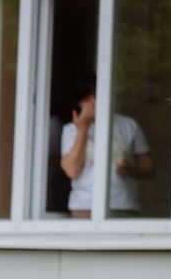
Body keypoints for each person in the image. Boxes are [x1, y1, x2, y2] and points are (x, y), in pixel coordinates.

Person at [61, 78, 152, 217]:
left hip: (123, 203)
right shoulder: (71, 130)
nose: (92, 103)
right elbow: (72, 170)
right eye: (86, 98)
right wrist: (83, 128)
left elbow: (149, 168)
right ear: (79, 102)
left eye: (95, 96)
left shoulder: (128, 125)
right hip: (85, 205)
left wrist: (130, 169)